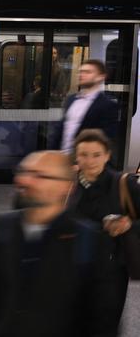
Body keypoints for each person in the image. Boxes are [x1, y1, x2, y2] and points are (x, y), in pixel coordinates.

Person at [0, 151, 119, 337]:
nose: (26, 181)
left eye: (41, 176)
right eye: (24, 172)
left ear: (66, 186)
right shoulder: (2, 226)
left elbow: (103, 320)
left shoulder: (89, 240)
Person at [68, 129, 139, 330]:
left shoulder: (124, 184)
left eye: (97, 155)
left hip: (111, 273)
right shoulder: (70, 185)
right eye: (83, 154)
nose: (90, 161)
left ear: (107, 155)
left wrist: (128, 224)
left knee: (104, 325)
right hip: (75, 269)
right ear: (76, 155)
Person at [51, 59, 118, 153]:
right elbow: (62, 128)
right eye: (80, 72)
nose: (81, 75)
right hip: (62, 156)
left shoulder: (107, 105)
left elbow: (106, 136)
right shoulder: (71, 99)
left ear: (100, 77)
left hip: (84, 159)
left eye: (88, 72)